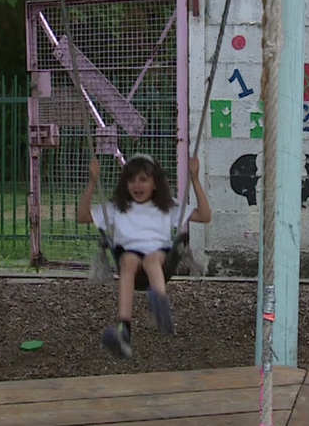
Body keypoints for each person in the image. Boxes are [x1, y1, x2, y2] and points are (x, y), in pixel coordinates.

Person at [77, 153, 211, 358]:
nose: (136, 185)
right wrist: (92, 182)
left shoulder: (167, 206)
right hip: (128, 254)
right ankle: (124, 331)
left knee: (151, 260)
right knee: (128, 263)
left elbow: (204, 216)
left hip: (161, 256)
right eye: (131, 180)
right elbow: (83, 217)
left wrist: (195, 178)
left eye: (143, 179)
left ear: (155, 183)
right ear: (125, 184)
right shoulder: (117, 208)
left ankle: (160, 303)